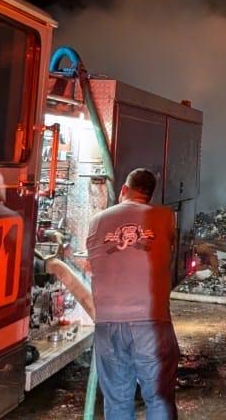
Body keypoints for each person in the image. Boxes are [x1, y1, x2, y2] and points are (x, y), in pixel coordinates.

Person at [86, 168, 179, 420]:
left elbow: (91, 262)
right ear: (149, 195)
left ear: (123, 190)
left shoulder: (96, 221)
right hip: (151, 321)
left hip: (107, 323)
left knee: (117, 400)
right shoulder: (165, 216)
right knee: (158, 397)